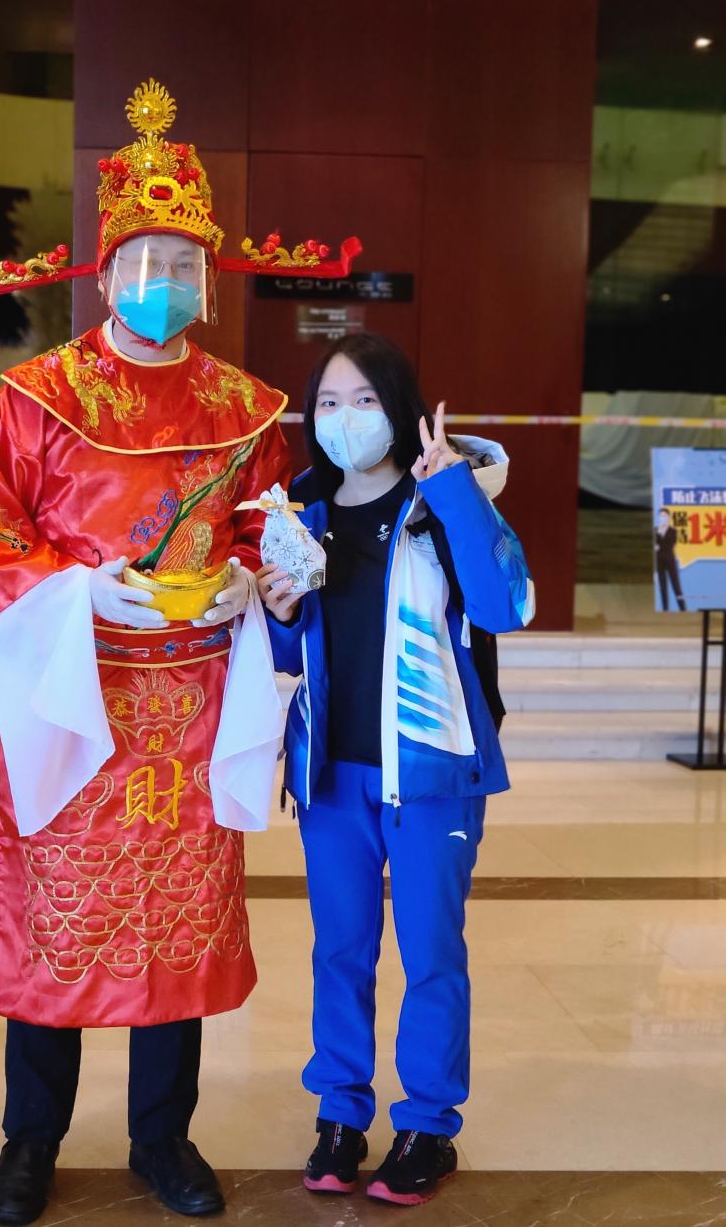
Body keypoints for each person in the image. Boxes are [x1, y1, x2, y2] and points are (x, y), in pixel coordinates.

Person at [0, 81, 294, 1225]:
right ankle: (30, 1137)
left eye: (184, 262)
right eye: (145, 260)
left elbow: (267, 530)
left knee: (177, 925)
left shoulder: (245, 406)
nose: (165, 280)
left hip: (192, 700)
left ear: (208, 275)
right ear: (106, 275)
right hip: (75, 695)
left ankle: (164, 1134)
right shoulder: (36, 399)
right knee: (58, 917)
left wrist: (253, 572)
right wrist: (78, 588)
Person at [257, 332, 534, 1207]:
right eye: (328, 403)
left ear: (402, 408)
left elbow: (505, 605)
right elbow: (286, 652)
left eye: (365, 400)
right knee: (339, 951)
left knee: (429, 953)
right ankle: (339, 1116)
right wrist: (279, 614)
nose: (345, 419)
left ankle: (427, 1126)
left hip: (430, 774)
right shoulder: (298, 513)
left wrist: (451, 487)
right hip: (330, 774)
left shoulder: (440, 506)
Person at [655, 508, 687, 611]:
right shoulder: (655, 530)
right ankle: (665, 610)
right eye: (660, 516)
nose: (662, 518)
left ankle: (683, 609)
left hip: (670, 561)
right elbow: (654, 546)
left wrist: (659, 544)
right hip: (659, 562)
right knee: (662, 588)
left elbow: (670, 544)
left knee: (676, 587)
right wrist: (658, 535)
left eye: (664, 516)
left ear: (668, 518)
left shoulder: (673, 531)